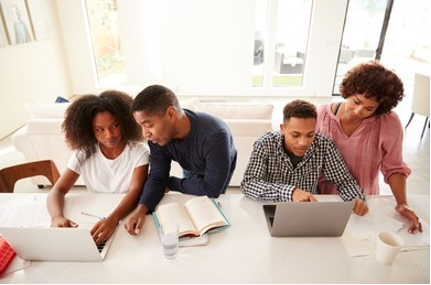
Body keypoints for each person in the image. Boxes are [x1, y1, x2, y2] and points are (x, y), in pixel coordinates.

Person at [316, 61, 422, 234]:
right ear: (349, 91)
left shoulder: (388, 122)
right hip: (323, 198)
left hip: (363, 202)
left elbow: (394, 167)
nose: (358, 111)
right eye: (356, 101)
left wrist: (402, 202)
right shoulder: (321, 115)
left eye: (369, 108)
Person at [125, 85, 237, 235]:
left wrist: (171, 183)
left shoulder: (215, 135)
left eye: (148, 125)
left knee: (210, 202)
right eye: (141, 126)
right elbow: (158, 177)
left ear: (171, 114)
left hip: (219, 160)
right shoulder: (157, 138)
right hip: (191, 163)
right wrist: (141, 209)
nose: (145, 134)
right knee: (191, 195)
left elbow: (212, 189)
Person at [47, 91, 150, 245]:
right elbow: (58, 190)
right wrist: (57, 217)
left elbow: (135, 192)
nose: (109, 135)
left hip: (127, 217)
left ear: (124, 122)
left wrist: (113, 220)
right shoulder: (83, 154)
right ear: (89, 129)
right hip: (95, 216)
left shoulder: (139, 151)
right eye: (100, 129)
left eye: (114, 125)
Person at [241, 100, 368, 216]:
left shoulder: (324, 145)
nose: (303, 142)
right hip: (271, 209)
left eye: (310, 135)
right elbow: (249, 184)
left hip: (309, 212)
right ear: (283, 129)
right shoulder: (265, 143)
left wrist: (356, 198)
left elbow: (343, 181)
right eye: (295, 135)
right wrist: (290, 192)